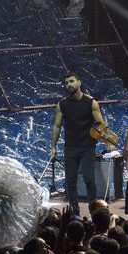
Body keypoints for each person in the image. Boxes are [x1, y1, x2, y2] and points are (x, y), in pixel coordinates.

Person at [51, 73, 107, 214]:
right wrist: (53, 146)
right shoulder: (62, 104)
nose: (69, 84)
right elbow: (57, 126)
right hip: (70, 147)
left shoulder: (91, 102)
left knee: (89, 179)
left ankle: (94, 211)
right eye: (66, 83)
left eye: (71, 81)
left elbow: (100, 124)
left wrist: (106, 139)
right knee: (70, 182)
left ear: (79, 83)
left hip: (87, 146)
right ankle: (75, 213)